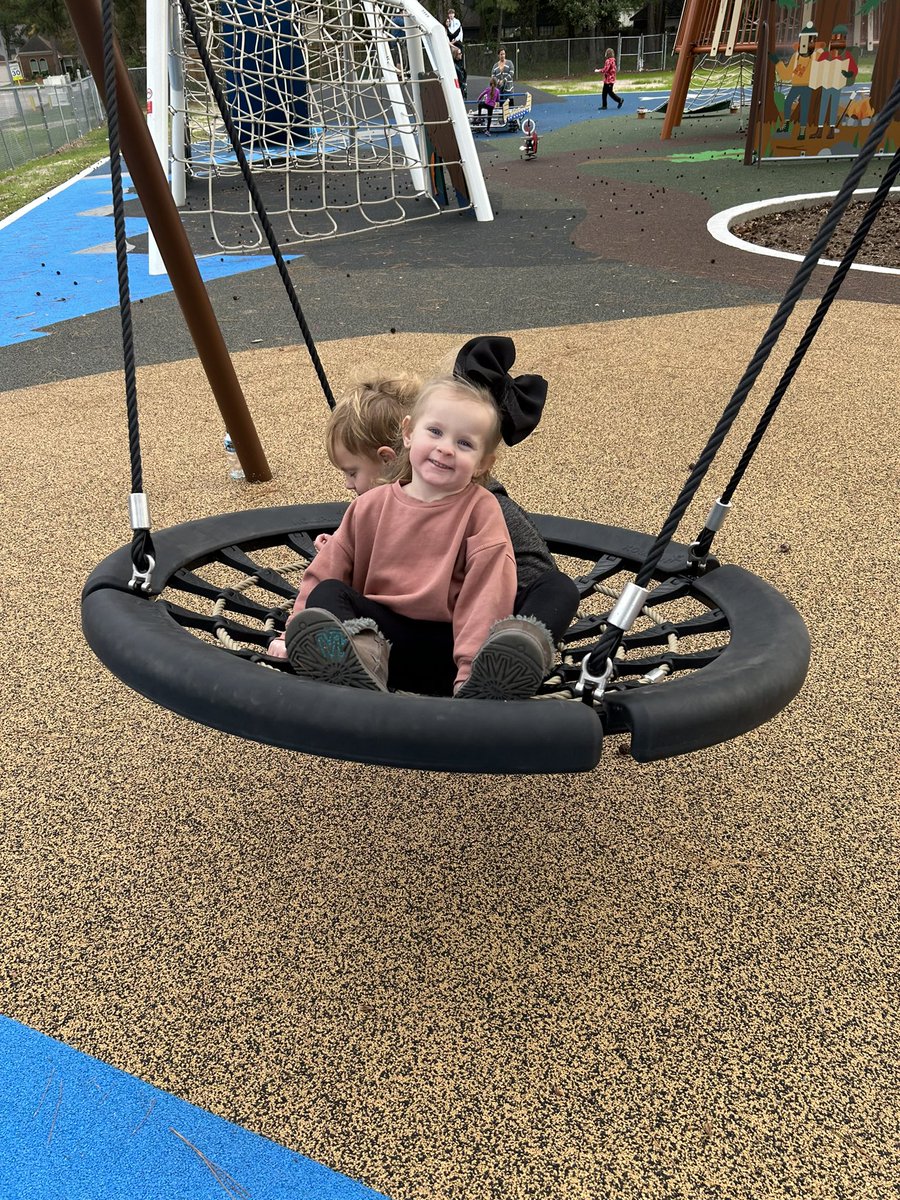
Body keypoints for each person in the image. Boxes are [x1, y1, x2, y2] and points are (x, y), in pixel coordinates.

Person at [270, 337, 581, 700]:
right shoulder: (370, 506)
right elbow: (328, 570)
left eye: (464, 444)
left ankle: (502, 665)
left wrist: (470, 669)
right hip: (384, 647)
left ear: (483, 463)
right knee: (327, 591)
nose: (446, 447)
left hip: (452, 652)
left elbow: (486, 593)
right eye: (435, 432)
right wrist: (290, 631)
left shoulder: (482, 510)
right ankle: (358, 661)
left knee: (559, 587)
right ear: (408, 433)